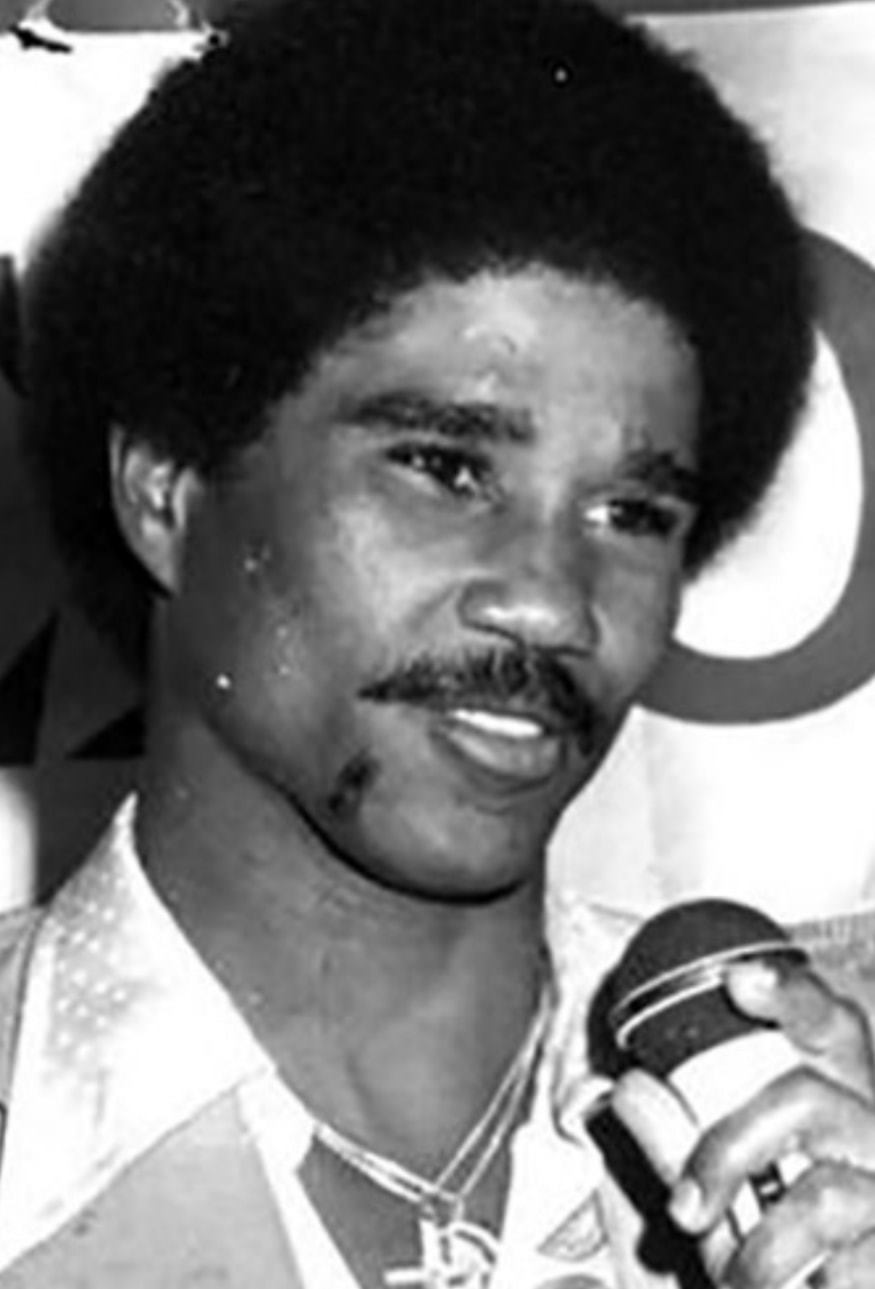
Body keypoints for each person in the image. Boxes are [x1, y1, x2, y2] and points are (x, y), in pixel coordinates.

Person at [2, 0, 873, 1285]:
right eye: (445, 468)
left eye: (631, 514)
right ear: (167, 496)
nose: (553, 601)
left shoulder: (828, 1107)